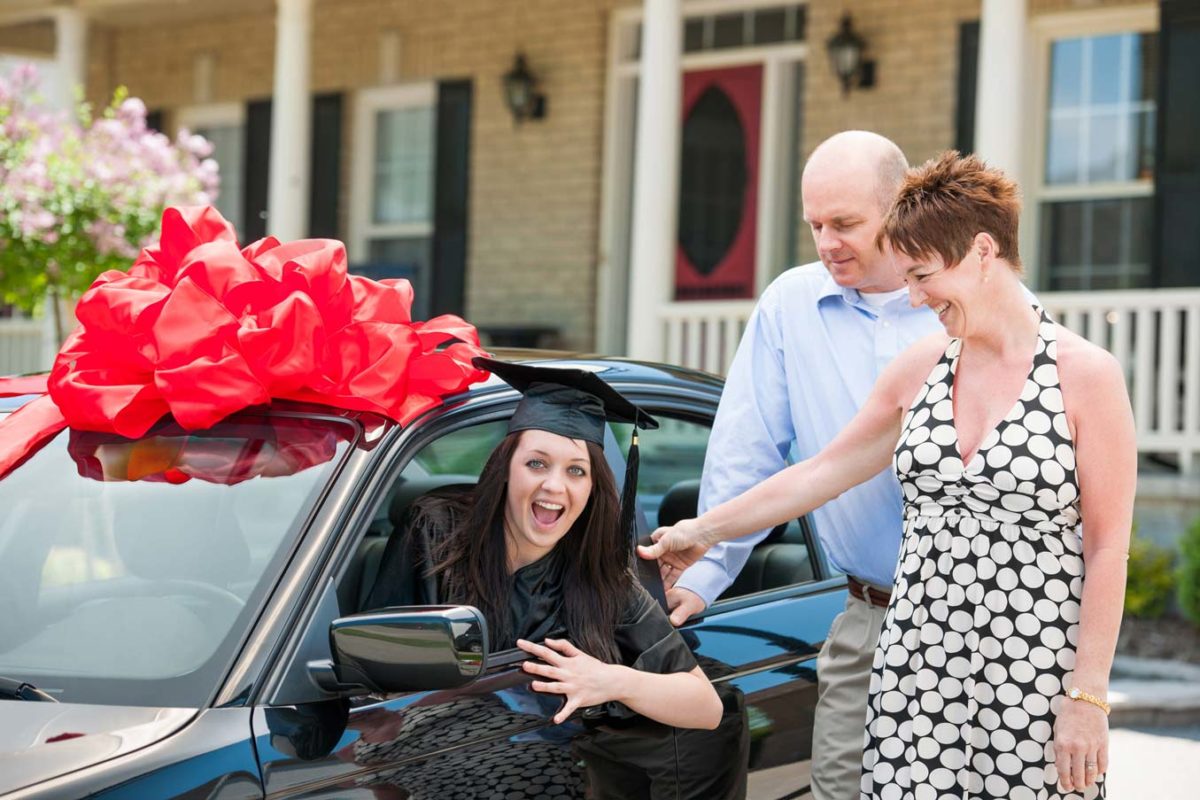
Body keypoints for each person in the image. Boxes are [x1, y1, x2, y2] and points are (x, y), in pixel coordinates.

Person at [641, 152, 1134, 798]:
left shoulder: (1086, 376)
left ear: (983, 252)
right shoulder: (921, 366)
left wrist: (1087, 697)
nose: (914, 297)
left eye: (924, 275)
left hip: (1033, 677)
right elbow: (818, 474)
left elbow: (1108, 547)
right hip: (915, 674)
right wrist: (701, 532)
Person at [662, 129, 943, 800]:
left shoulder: (956, 306)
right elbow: (747, 452)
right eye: (814, 223)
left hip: (970, 620)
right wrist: (703, 574)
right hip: (864, 613)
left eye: (845, 223)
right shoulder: (791, 305)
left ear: (899, 208)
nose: (826, 242)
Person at [365, 357, 722, 734]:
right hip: (428, 750)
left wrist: (612, 681)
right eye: (536, 464)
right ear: (505, 469)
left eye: (575, 470)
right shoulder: (435, 531)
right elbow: (372, 664)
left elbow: (705, 705)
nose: (554, 485)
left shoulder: (603, 581)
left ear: (590, 490)